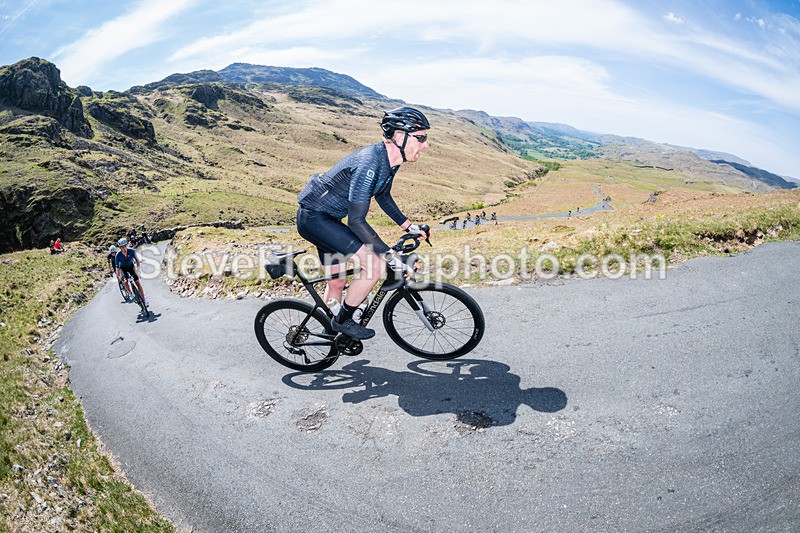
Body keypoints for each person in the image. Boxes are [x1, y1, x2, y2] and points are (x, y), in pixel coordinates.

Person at [296, 106, 430, 340]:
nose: (425, 145)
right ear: (400, 137)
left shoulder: (390, 161)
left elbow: (383, 196)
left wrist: (409, 227)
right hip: (315, 220)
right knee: (376, 266)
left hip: (327, 219)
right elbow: (357, 221)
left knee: (337, 282)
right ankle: (343, 321)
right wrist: (389, 255)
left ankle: (332, 339)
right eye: (421, 138)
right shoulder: (369, 162)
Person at [115, 238, 148, 307]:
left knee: (137, 283)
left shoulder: (131, 251)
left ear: (127, 245)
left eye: (125, 246)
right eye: (122, 247)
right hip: (123, 268)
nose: (124, 248)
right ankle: (130, 292)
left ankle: (144, 299)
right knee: (125, 281)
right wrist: (118, 276)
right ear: (120, 247)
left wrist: (138, 270)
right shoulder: (118, 255)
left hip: (131, 267)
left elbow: (137, 260)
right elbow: (117, 268)